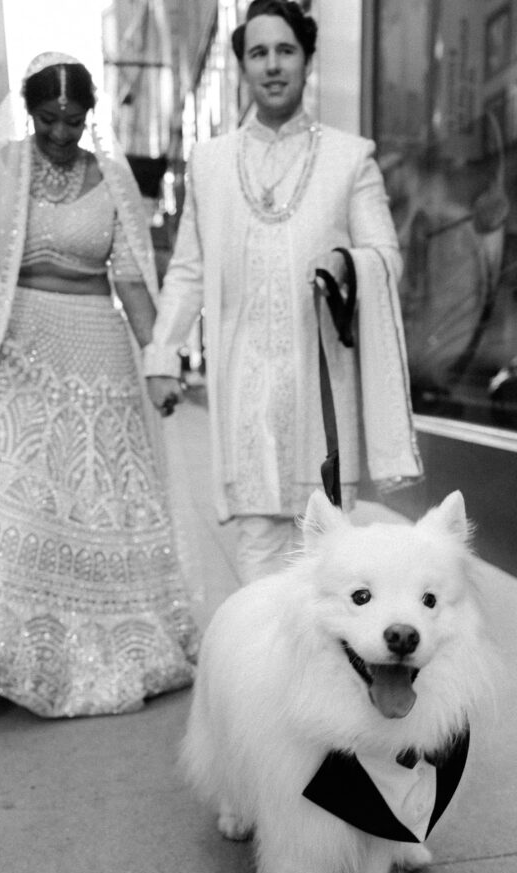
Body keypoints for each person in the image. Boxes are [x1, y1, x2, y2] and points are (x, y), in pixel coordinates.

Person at [0, 53, 199, 717]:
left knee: (92, 497)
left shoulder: (112, 179)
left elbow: (132, 280)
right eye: (49, 120)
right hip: (15, 344)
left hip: (96, 348)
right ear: (29, 110)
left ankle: (95, 649)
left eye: (74, 121)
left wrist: (160, 362)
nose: (62, 134)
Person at [145, 0, 423, 585]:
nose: (273, 66)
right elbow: (189, 269)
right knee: (258, 558)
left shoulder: (351, 158)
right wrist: (163, 354)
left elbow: (387, 258)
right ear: (243, 65)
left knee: (328, 563)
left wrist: (349, 265)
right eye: (259, 53)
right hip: (244, 386)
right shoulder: (210, 162)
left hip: (320, 389)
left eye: (286, 51)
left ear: (308, 60)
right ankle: (261, 677)